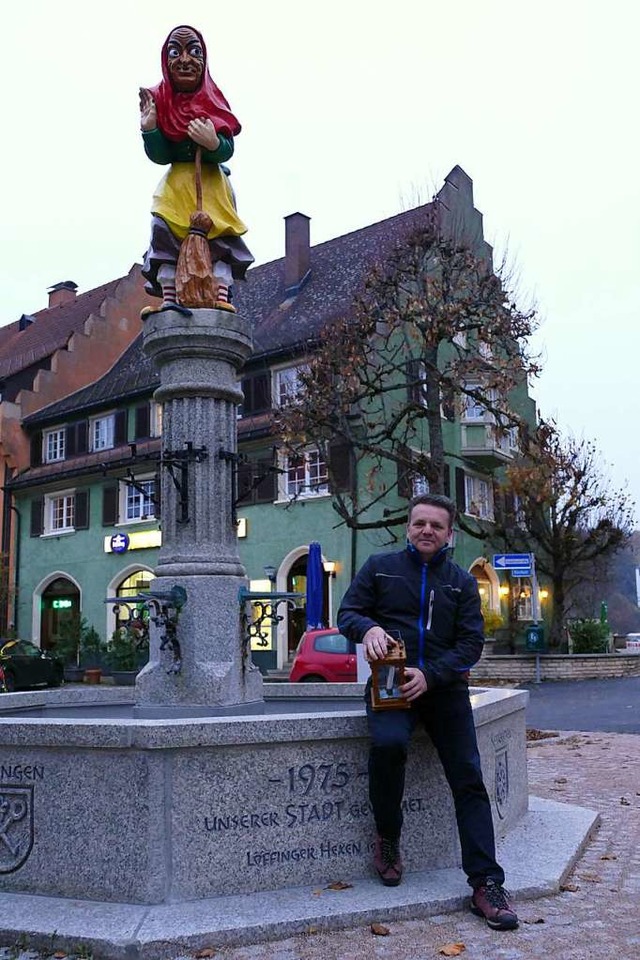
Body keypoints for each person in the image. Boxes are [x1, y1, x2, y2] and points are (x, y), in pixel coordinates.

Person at [337, 493, 519, 931]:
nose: (426, 531)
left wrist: (431, 675)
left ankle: (486, 884)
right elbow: (347, 613)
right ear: (408, 527)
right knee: (389, 744)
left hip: (444, 690)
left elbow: (470, 645)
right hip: (389, 685)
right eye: (420, 523)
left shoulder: (460, 581)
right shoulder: (380, 568)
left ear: (448, 534)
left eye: (436, 526)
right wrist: (370, 627)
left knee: (469, 779)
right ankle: (389, 838)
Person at [139, 25, 253, 311]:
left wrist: (213, 143)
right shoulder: (162, 102)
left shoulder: (213, 101)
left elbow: (228, 148)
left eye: (195, 51)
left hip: (211, 187)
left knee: (220, 240)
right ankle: (169, 298)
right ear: (166, 61)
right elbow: (160, 155)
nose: (186, 60)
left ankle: (220, 297)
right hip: (177, 187)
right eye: (176, 52)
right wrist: (151, 129)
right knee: (164, 233)